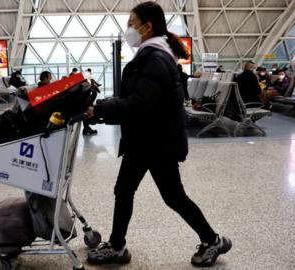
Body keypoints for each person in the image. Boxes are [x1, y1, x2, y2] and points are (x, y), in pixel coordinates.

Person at [85, 2, 231, 267]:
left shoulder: (155, 59)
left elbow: (139, 103)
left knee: (172, 196)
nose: (128, 29)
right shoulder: (153, 55)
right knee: (125, 190)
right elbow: (135, 97)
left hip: (156, 143)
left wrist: (99, 110)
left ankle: (213, 240)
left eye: (131, 23)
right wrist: (105, 105)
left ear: (147, 26)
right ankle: (117, 246)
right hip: (145, 140)